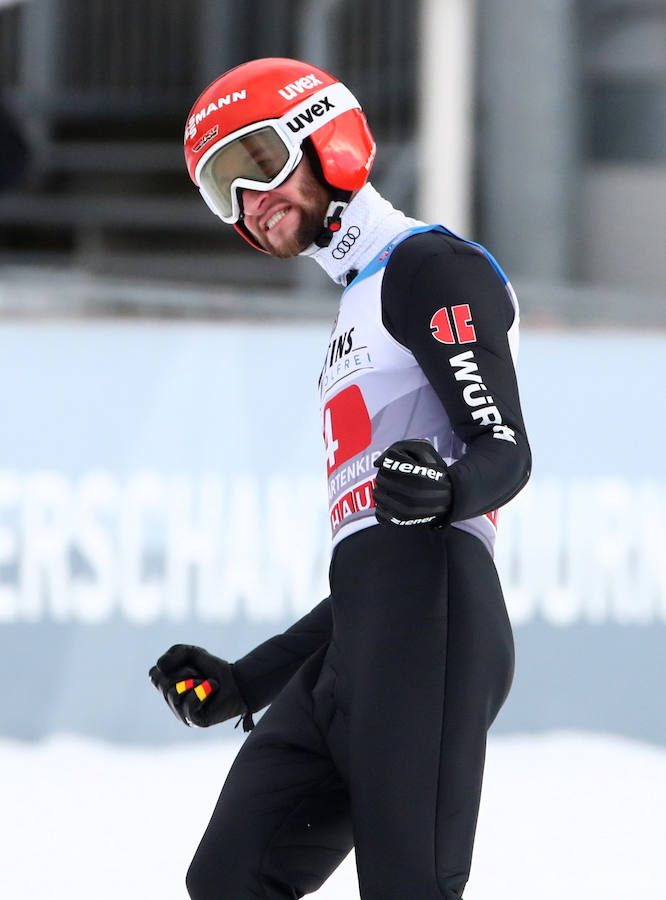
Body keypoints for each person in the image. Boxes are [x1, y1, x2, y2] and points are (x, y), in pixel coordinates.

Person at [149, 57, 531, 900]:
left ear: (328, 138)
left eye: (256, 165)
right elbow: (366, 573)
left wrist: (448, 487)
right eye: (225, 192)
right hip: (365, 638)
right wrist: (246, 680)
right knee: (230, 878)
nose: (250, 203)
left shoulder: (429, 267)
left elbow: (504, 451)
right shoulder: (357, 303)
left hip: (435, 622)